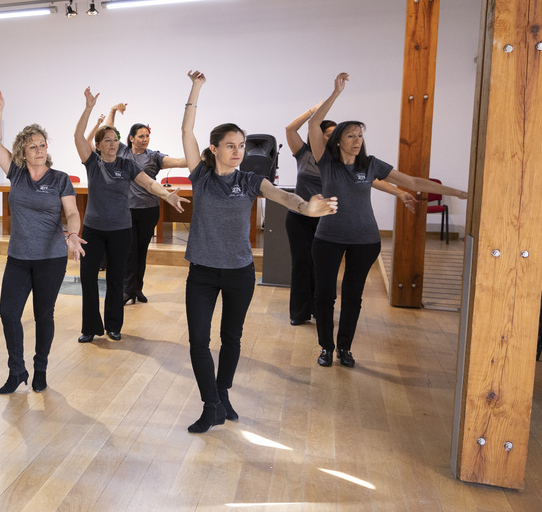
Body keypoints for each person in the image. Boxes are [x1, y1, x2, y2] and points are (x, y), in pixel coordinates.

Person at [181, 71, 336, 433]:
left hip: (239, 273)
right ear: (215, 148)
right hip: (201, 272)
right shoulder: (201, 176)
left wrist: (307, 208)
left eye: (242, 145)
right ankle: (210, 405)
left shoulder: (251, 180)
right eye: (231, 145)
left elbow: (285, 197)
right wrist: (197, 88)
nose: (238, 151)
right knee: (198, 341)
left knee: (231, 338)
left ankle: (223, 394)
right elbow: (187, 132)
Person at [307, 73, 466, 368]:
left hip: (365, 241)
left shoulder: (371, 164)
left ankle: (344, 349)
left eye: (360, 135)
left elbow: (413, 180)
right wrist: (336, 93)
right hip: (327, 238)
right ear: (338, 140)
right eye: (351, 135)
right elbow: (313, 124)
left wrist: (455, 191)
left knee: (353, 296)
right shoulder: (326, 161)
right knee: (325, 295)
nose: (357, 140)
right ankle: (326, 348)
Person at [284, 103, 416, 326]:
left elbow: (372, 179)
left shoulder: (342, 162)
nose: (335, 136)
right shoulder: (304, 153)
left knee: (320, 268)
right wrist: (312, 111)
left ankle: (319, 309)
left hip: (328, 220)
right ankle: (299, 312)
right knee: (301, 264)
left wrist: (399, 191)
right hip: (300, 218)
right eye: (329, 133)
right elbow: (289, 130)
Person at [0, 89, 85, 394]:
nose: (40, 150)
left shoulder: (59, 178)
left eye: (43, 145)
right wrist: (0, 110)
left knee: (44, 315)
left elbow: (71, 212)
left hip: (50, 258)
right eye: (33, 146)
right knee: (8, 313)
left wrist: (71, 235)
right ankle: (17, 370)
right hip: (18, 257)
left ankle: (40, 368)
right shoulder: (15, 174)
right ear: (23, 151)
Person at [74, 87, 185, 343]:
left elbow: (148, 183)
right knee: (88, 278)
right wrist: (89, 108)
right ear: (99, 145)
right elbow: (78, 135)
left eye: (116, 139)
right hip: (93, 228)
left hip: (120, 230)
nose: (113, 144)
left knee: (115, 278)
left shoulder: (126, 164)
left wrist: (167, 194)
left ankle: (114, 326)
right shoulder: (92, 163)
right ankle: (90, 327)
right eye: (108, 140)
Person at [102, 103, 188, 304]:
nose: (145, 139)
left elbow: (178, 162)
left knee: (141, 251)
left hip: (149, 211)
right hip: (126, 211)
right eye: (140, 136)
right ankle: (127, 290)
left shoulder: (154, 157)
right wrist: (113, 111)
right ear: (131, 138)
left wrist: (204, 158)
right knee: (129, 251)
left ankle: (136, 289)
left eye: (147, 136)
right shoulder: (122, 152)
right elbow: (108, 133)